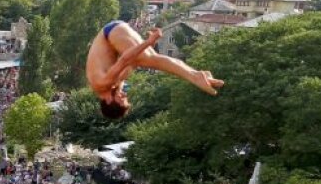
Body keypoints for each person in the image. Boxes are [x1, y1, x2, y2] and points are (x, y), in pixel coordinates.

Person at [87, 22, 223, 119]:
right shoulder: (115, 86)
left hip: (111, 32)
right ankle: (197, 75)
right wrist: (146, 48)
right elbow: (132, 63)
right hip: (114, 32)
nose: (124, 95)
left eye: (122, 98)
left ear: (110, 101)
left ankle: (195, 76)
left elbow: (124, 60)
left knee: (149, 59)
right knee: (150, 60)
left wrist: (148, 42)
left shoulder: (102, 83)